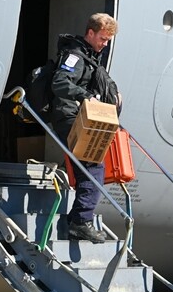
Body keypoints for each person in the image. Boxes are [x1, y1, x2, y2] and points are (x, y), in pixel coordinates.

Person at [50, 13, 121, 243]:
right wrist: (87, 97)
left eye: (108, 40)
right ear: (90, 33)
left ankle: (79, 219)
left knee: (91, 165)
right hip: (68, 116)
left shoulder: (90, 56)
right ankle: (81, 221)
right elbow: (60, 82)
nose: (105, 44)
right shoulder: (75, 55)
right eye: (102, 38)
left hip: (76, 116)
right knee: (93, 164)